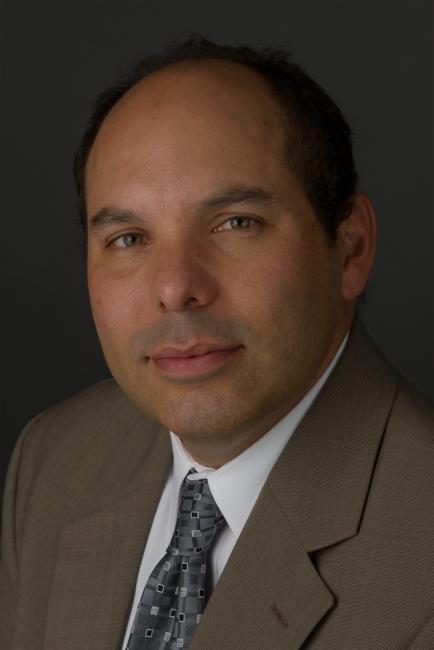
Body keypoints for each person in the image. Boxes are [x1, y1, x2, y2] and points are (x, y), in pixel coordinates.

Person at [0, 34, 433, 650]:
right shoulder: (55, 460)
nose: (175, 288)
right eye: (128, 237)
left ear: (350, 248)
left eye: (236, 224)